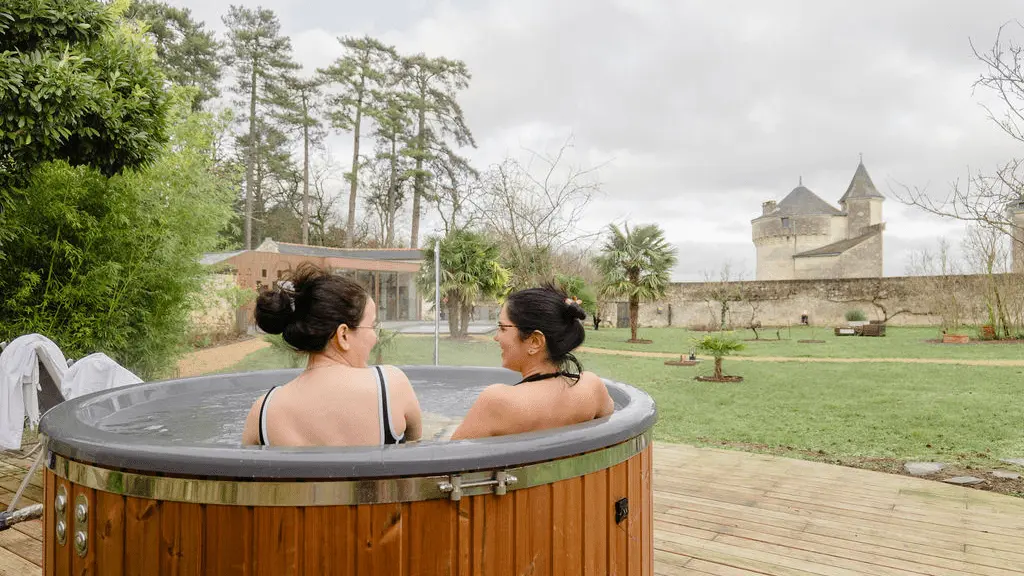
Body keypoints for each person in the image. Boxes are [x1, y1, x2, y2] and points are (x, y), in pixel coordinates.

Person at [241, 263, 422, 447]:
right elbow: (419, 454)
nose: (375, 337)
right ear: (343, 335)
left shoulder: (263, 412)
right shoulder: (391, 387)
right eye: (372, 326)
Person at [451, 285, 614, 440]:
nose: (496, 337)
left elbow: (448, 463)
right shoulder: (592, 387)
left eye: (502, 328)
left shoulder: (498, 401)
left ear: (535, 342)